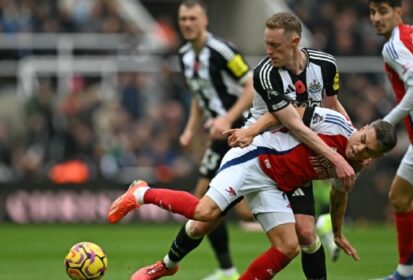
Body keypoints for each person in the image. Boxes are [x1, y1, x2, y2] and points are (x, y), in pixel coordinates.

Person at [108, 106, 397, 280]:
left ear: (376, 156)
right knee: (204, 214)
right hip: (255, 157)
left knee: (288, 247)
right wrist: (250, 131)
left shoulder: (356, 164)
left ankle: (167, 266)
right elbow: (285, 113)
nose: (359, 148)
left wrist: (337, 232)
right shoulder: (333, 123)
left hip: (274, 184)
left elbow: (338, 194)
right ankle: (142, 192)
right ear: (364, 127)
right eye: (362, 139)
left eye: (368, 150)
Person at [225, 11, 351, 279]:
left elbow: (333, 107)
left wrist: (350, 135)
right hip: (269, 153)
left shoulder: (325, 65)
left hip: (300, 156)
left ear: (295, 42)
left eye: (275, 45)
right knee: (209, 214)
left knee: (305, 233)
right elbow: (288, 121)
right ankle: (147, 201)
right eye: (266, 44)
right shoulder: (266, 73)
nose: (268, 51)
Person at [137, 1, 254, 279]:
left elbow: (251, 87)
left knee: (214, 205)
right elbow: (198, 96)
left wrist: (227, 119)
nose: (187, 23)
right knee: (205, 203)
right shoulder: (185, 55)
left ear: (204, 21)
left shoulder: (222, 51)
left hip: (242, 131)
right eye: (183, 18)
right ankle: (226, 269)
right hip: (218, 136)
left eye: (192, 18)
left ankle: (224, 268)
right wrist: (190, 129)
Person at [368, 0, 413, 279]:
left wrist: (386, 122)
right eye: (372, 12)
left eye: (383, 11)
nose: (376, 18)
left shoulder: (393, 46)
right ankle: (405, 272)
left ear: (399, 11)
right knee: (399, 197)